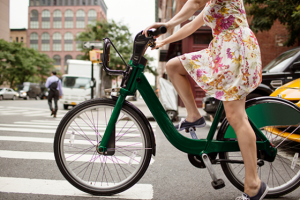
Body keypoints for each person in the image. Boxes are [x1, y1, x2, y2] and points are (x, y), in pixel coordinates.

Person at [143, 0, 268, 199]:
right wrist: (164, 40)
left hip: (235, 50)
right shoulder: (212, 5)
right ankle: (194, 115)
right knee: (173, 67)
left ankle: (253, 184)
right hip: (221, 50)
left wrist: (166, 25)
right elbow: (192, 25)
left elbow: (195, 2)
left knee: (236, 116)